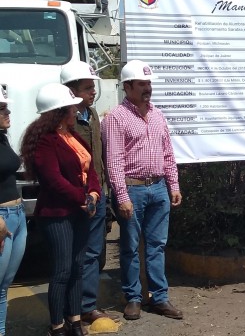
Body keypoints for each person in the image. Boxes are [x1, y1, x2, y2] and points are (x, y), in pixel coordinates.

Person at [102, 60, 183, 322]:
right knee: (129, 246)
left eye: (149, 83)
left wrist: (173, 185)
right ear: (127, 86)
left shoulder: (158, 115)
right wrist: (122, 197)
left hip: (158, 187)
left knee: (157, 246)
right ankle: (133, 298)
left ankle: (159, 298)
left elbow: (168, 154)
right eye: (142, 84)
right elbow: (113, 161)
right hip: (132, 189)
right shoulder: (116, 117)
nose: (148, 88)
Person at [20, 83, 101, 336]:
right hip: (57, 214)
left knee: (77, 267)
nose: (76, 111)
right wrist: (82, 198)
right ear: (59, 111)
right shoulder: (46, 141)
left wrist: (94, 194)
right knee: (62, 270)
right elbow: (53, 180)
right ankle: (57, 326)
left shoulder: (72, 135)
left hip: (79, 211)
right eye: (71, 108)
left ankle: (74, 321)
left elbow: (91, 169)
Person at [60, 61, 117, 327]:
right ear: (71, 91)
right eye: (87, 88)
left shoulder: (91, 114)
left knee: (94, 251)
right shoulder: (62, 121)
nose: (93, 92)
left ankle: (87, 306)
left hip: (97, 193)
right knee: (73, 254)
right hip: (76, 197)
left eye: (93, 87)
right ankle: (69, 307)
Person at [0, 88, 25, 336]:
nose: (8, 112)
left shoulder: (2, 137)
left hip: (16, 215)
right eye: (1, 108)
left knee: (4, 285)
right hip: (1, 218)